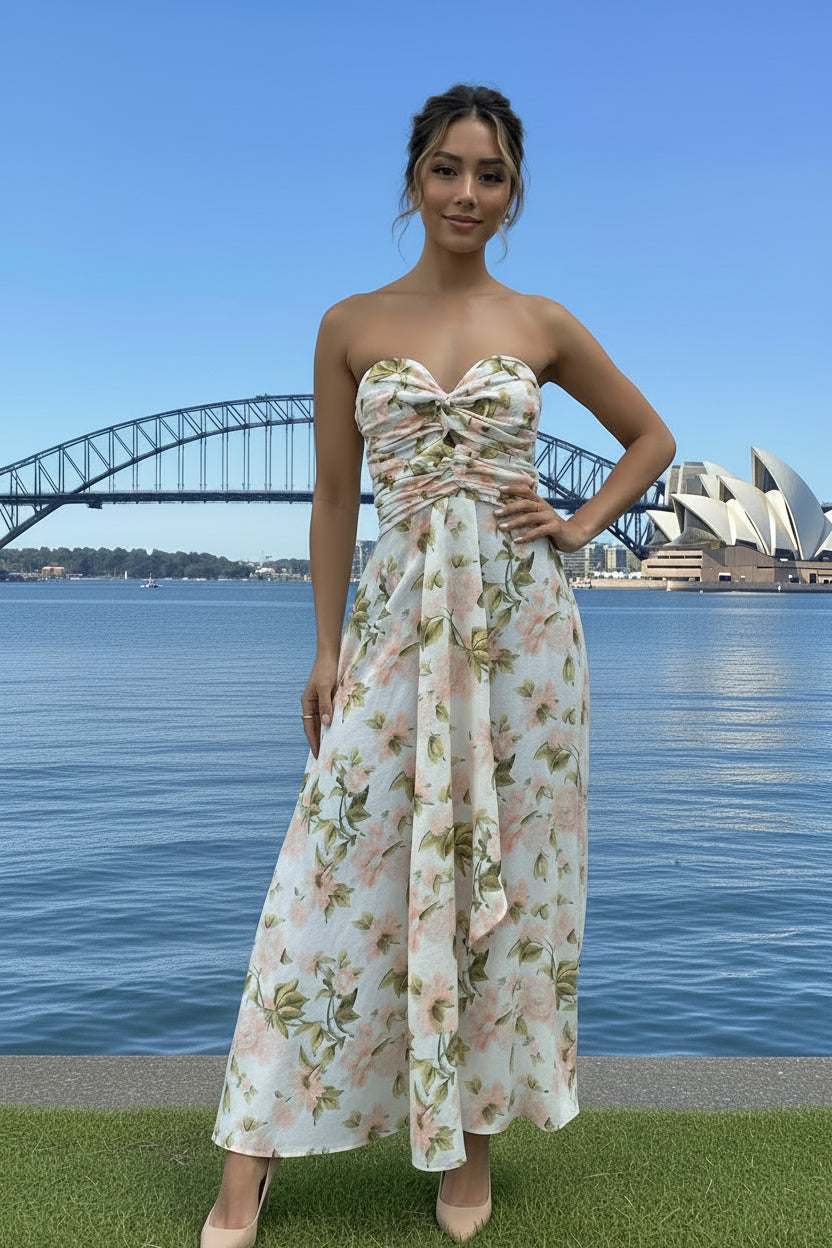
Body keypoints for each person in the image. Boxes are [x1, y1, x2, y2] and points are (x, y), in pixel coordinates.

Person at [200, 82, 676, 1247]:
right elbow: (328, 494)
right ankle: (247, 1161)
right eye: (448, 168)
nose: (467, 192)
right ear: (413, 177)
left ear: (513, 196)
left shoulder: (543, 322)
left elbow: (651, 440)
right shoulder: (349, 324)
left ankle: (470, 1147)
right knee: (327, 870)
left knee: (503, 890)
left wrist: (574, 525)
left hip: (525, 639)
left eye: (491, 174)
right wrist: (323, 648)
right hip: (395, 623)